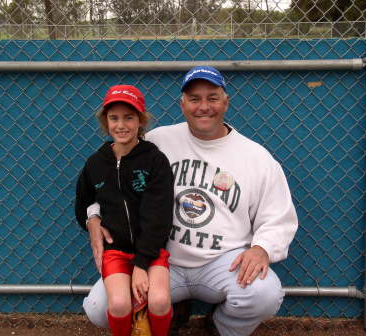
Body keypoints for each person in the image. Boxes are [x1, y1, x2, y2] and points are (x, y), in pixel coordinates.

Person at [83, 67, 298, 336]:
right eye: (195, 99)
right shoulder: (156, 141)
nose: (204, 107)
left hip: (222, 262)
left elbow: (279, 215)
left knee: (264, 294)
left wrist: (263, 248)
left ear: (226, 102)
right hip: (159, 259)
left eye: (213, 97)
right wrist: (92, 216)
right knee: (99, 307)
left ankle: (219, 327)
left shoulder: (256, 157)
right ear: (182, 104)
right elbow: (109, 180)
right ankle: (173, 308)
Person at [75, 84, 174, 336]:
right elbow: (83, 204)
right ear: (105, 121)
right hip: (115, 251)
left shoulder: (154, 160)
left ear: (141, 120)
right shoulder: (96, 163)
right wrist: (92, 219)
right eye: (114, 118)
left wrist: (141, 264)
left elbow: (159, 217)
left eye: (129, 117)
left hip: (151, 251)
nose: (121, 125)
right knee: (119, 304)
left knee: (159, 300)